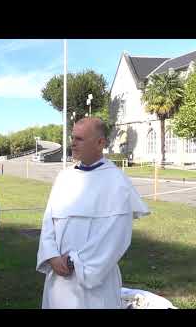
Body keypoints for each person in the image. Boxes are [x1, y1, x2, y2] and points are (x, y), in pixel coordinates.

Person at [36, 117, 150, 309]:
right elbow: (49, 221)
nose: (72, 142)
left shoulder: (116, 182)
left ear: (100, 143)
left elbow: (115, 237)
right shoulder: (64, 177)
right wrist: (51, 255)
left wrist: (74, 262)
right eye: (72, 137)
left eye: (80, 139)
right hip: (59, 281)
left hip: (95, 284)